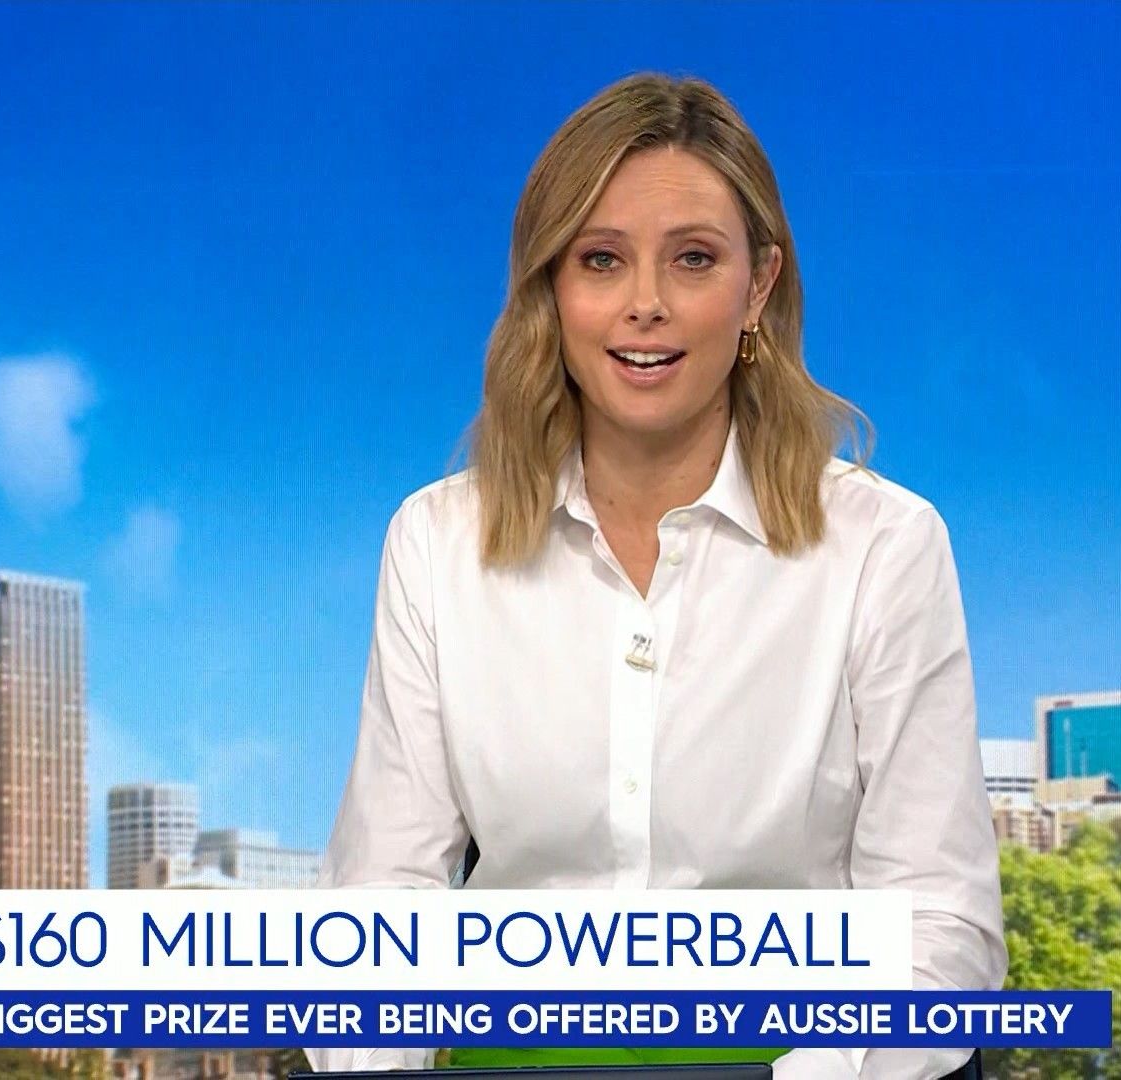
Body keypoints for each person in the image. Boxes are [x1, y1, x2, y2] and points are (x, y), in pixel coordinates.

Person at [306, 72, 1006, 1080]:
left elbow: (941, 926)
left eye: (693, 259)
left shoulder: (883, 546)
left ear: (757, 287)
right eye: (601, 260)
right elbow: (381, 902)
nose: (645, 305)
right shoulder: (436, 542)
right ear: (551, 289)